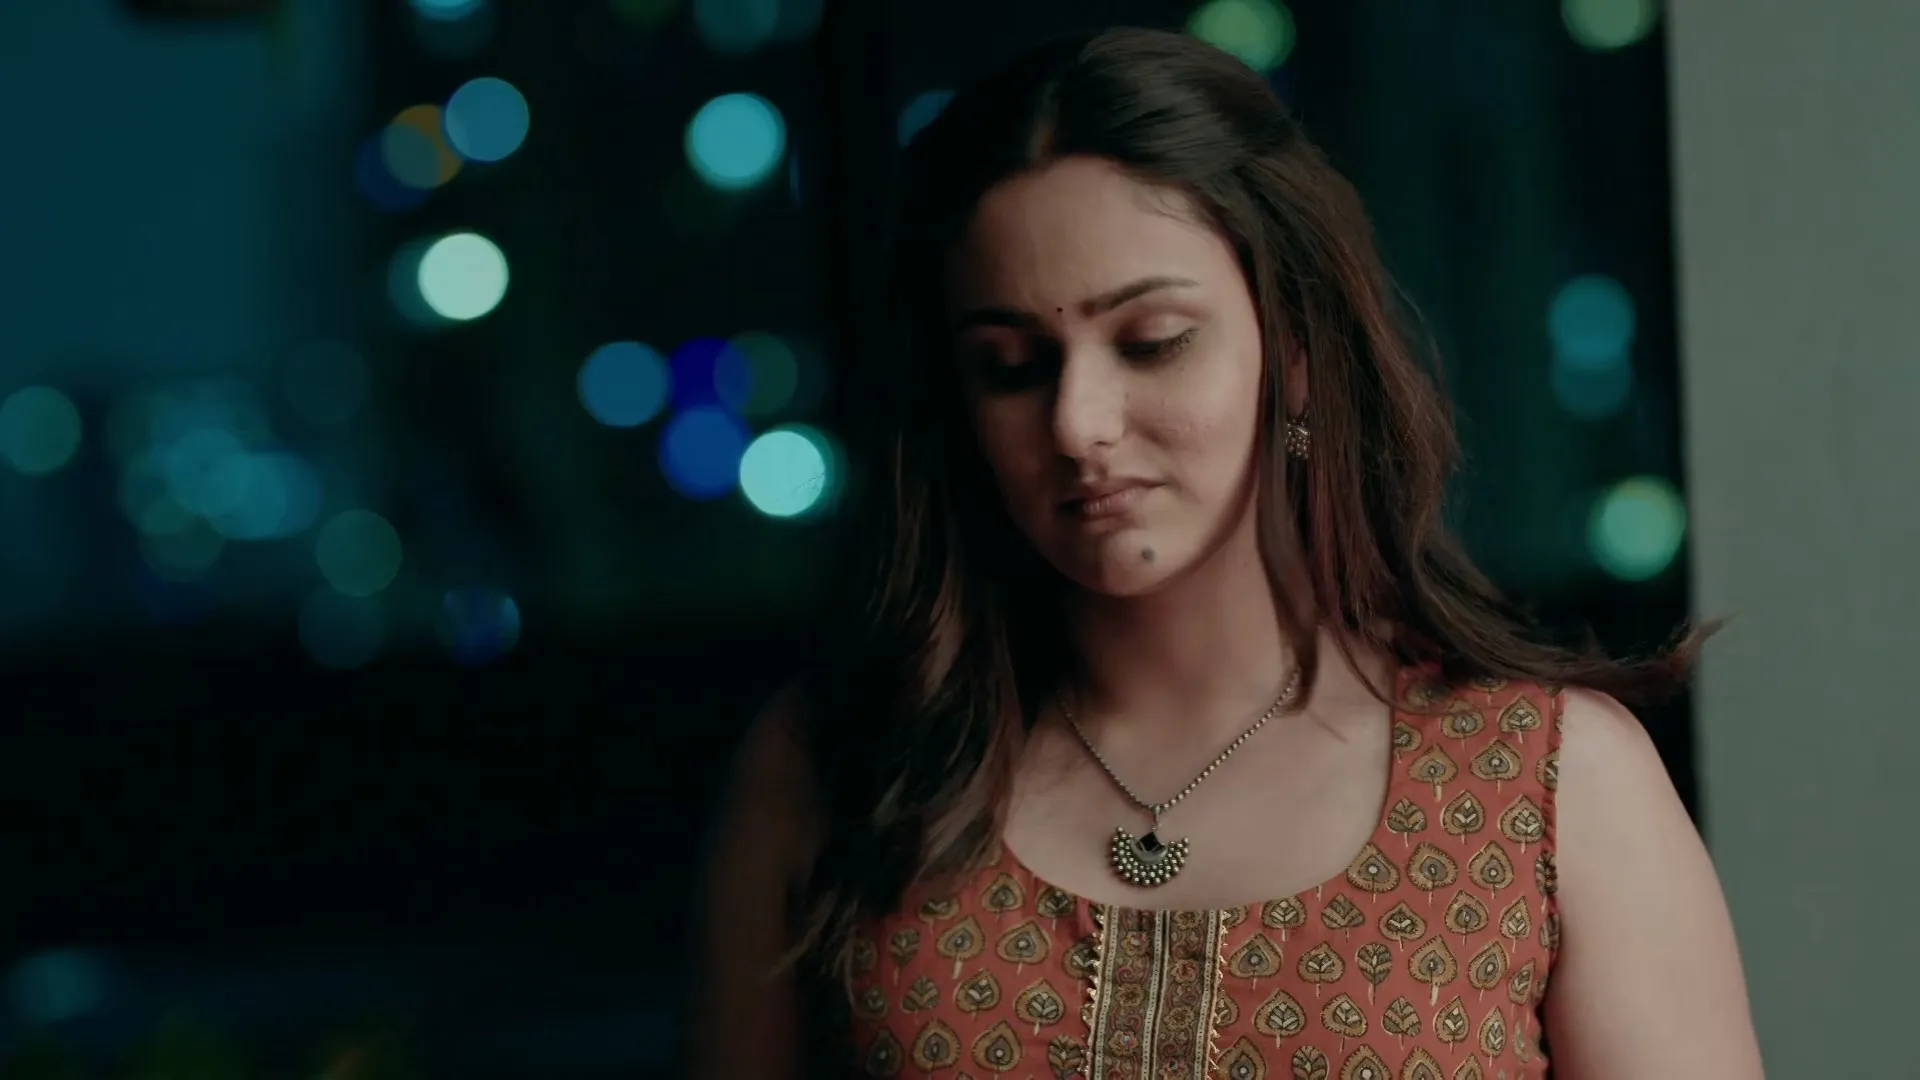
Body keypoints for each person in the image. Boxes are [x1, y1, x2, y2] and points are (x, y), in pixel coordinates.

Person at [685, 26, 1764, 1080]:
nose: (1078, 423)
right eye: (1012, 365)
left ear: (1294, 354)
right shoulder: (830, 773)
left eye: (1152, 344)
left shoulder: (1547, 781)